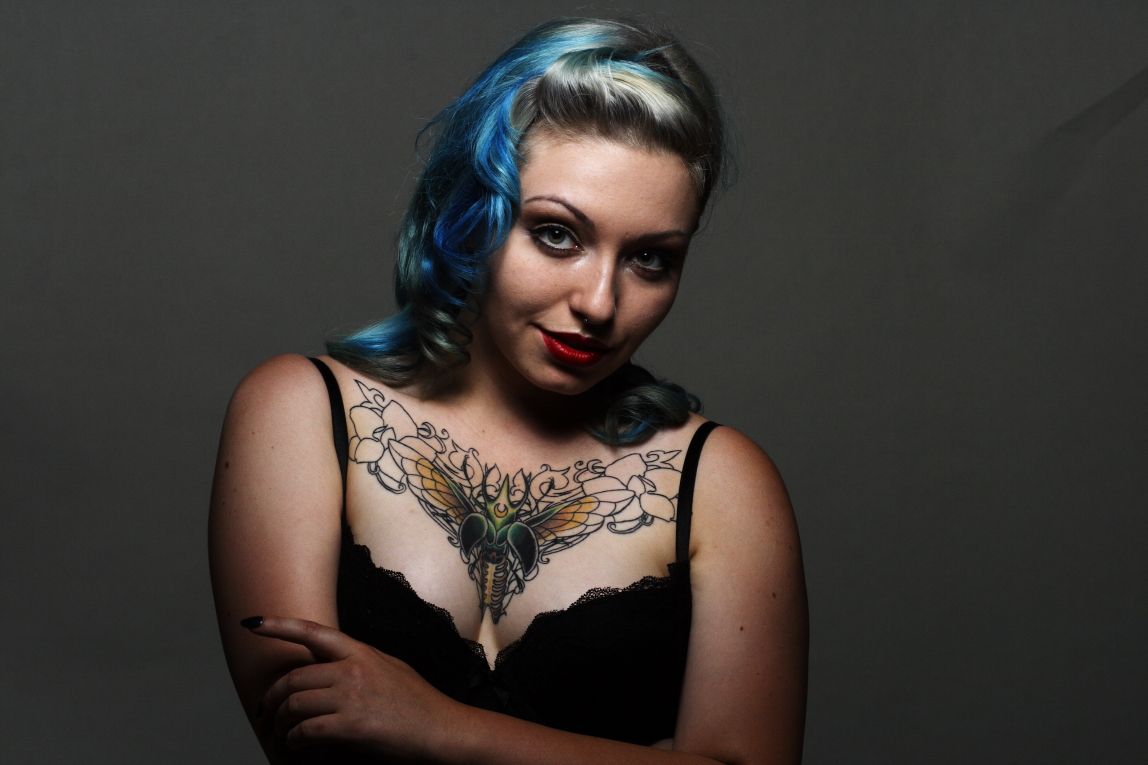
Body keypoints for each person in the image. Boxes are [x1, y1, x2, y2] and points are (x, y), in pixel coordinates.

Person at [209, 17, 807, 764]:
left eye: (650, 259)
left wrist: (434, 724)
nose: (599, 302)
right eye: (558, 234)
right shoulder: (299, 415)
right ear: (473, 215)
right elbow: (313, 747)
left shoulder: (723, 485)